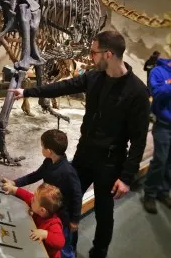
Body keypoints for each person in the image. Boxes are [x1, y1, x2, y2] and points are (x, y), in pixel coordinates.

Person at [9, 30, 150, 258]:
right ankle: (66, 246)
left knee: (104, 213)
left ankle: (99, 252)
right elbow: (62, 87)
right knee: (64, 202)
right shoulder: (94, 77)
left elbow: (139, 139)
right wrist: (27, 91)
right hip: (84, 156)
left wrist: (126, 177)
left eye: (94, 53)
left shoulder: (137, 92)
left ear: (109, 54)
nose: (90, 57)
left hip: (110, 164)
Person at [2, 129, 82, 258]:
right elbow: (35, 175)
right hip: (49, 209)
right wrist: (15, 183)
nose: (41, 148)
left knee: (65, 246)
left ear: (49, 151)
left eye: (42, 146)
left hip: (63, 217)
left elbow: (77, 195)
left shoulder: (68, 171)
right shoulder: (48, 162)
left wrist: (75, 220)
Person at [3, 182, 65, 258]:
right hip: (35, 248)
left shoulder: (54, 224)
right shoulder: (37, 207)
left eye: (34, 200)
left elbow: (60, 242)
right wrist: (14, 189)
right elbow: (27, 195)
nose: (31, 199)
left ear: (42, 210)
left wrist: (45, 234)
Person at [143, 58, 171, 214]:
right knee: (160, 159)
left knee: (170, 161)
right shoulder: (158, 71)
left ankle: (164, 191)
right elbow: (157, 92)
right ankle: (150, 194)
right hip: (164, 125)